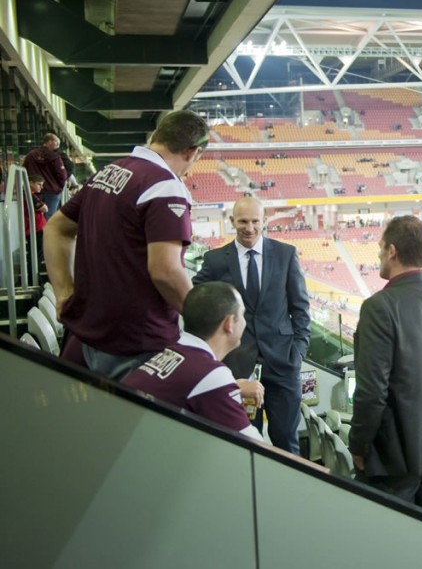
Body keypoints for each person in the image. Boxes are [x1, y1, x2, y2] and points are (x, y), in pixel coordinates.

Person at [45, 110, 208, 380]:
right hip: (136, 343)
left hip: (90, 332)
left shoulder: (109, 172)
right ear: (193, 152)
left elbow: (56, 227)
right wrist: (204, 324)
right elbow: (166, 272)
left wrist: (64, 292)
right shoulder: (165, 186)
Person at [348, 215, 422, 517]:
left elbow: (372, 391)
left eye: (380, 249)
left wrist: (359, 445)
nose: (378, 255)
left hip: (392, 456)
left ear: (392, 251)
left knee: (392, 545)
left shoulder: (379, 306)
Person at [193, 197, 311, 454]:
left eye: (255, 221)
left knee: (287, 443)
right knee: (244, 443)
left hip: (283, 365)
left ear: (264, 221)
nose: (249, 228)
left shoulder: (285, 254)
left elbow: (300, 309)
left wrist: (298, 352)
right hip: (237, 368)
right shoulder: (215, 261)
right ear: (232, 221)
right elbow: (193, 297)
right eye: (243, 221)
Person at [122, 282, 264, 440]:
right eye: (242, 315)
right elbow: (256, 447)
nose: (245, 322)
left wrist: (233, 386)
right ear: (229, 323)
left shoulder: (174, 353)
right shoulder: (213, 374)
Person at [22, 132, 67, 218]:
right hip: (52, 192)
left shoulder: (31, 155)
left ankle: (38, 232)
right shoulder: (55, 157)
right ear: (50, 142)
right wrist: (59, 188)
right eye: (57, 142)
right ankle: (47, 231)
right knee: (50, 218)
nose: (58, 145)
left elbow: (24, 171)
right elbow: (63, 175)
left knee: (34, 217)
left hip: (34, 192)